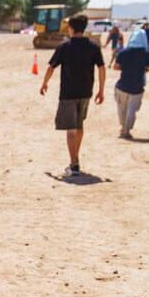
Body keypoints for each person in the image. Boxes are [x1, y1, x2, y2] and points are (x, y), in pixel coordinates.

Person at [39, 15, 105, 177]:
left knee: (70, 128)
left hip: (68, 93)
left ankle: (74, 164)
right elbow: (102, 68)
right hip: (85, 92)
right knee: (79, 125)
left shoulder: (64, 46)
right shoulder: (93, 46)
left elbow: (51, 67)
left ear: (72, 28)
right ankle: (75, 160)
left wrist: (44, 83)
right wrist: (101, 90)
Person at [112, 29, 149, 139]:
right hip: (137, 86)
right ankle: (126, 130)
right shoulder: (146, 54)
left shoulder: (123, 52)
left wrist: (125, 67)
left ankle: (122, 127)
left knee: (122, 109)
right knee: (132, 110)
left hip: (122, 85)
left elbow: (115, 67)